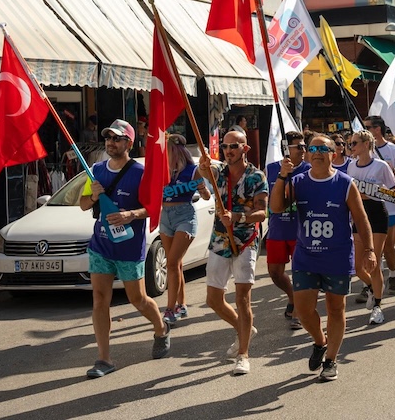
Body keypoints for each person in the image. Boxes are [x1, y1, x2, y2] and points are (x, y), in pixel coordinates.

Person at [270, 134, 376, 381]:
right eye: (312, 148)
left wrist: (369, 250)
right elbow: (276, 208)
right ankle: (320, 341)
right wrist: (282, 176)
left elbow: (361, 220)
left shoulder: (345, 183)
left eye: (323, 148)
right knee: (304, 309)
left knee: (336, 309)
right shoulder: (297, 181)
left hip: (337, 257)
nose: (316, 152)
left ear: (333, 154)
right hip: (306, 256)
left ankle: (331, 360)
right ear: (307, 154)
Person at [79, 119, 170, 379]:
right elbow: (84, 205)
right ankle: (104, 359)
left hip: (129, 248)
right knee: (99, 299)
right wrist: (94, 196)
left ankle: (161, 328)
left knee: (138, 299)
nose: (111, 142)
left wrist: (131, 214)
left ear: (129, 143)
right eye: (108, 138)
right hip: (101, 245)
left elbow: (154, 208)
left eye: (117, 138)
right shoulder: (95, 170)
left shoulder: (141, 173)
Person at [198, 130, 268, 375]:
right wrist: (203, 165)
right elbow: (204, 173)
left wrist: (238, 216)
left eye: (234, 146)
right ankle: (245, 328)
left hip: (245, 240)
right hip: (219, 240)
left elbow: (262, 213)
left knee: (242, 299)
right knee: (213, 299)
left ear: (245, 149)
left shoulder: (256, 176)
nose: (228, 150)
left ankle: (243, 354)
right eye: (225, 146)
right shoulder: (220, 172)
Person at [347, 130, 395, 324]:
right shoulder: (351, 167)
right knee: (357, 266)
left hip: (376, 213)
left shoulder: (381, 166)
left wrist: (375, 193)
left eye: (354, 143)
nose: (351, 147)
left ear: (366, 144)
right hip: (359, 215)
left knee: (374, 262)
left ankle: (378, 306)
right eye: (350, 144)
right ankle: (372, 288)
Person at [160, 134, 211, 325]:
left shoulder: (192, 171)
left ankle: (170, 309)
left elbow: (206, 196)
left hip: (185, 216)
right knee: (177, 264)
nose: (165, 155)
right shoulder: (163, 171)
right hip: (165, 216)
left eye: (168, 151)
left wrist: (203, 189)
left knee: (172, 263)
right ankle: (182, 304)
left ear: (177, 151)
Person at [264, 131, 311, 330]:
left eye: (303, 146)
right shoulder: (271, 168)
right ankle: (292, 296)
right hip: (277, 229)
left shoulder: (309, 169)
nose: (303, 150)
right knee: (275, 273)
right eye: (298, 146)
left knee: (301, 273)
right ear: (286, 149)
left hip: (300, 230)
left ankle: (299, 312)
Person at [363, 115, 395, 296]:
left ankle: (393, 274)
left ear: (377, 129)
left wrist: (392, 170)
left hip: (389, 206)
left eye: (367, 127)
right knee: (371, 249)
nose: (364, 131)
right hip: (368, 208)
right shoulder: (363, 150)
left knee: (388, 246)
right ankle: (372, 284)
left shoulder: (394, 151)